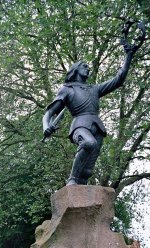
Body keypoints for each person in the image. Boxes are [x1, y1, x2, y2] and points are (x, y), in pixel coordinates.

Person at [43, 44, 138, 185]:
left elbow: (119, 79)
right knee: (88, 143)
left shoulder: (95, 89)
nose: (88, 68)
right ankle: (72, 180)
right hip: (80, 125)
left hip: (98, 128)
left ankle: (82, 193)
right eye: (85, 66)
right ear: (76, 70)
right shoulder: (67, 89)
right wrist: (46, 126)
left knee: (87, 171)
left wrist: (129, 55)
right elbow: (49, 112)